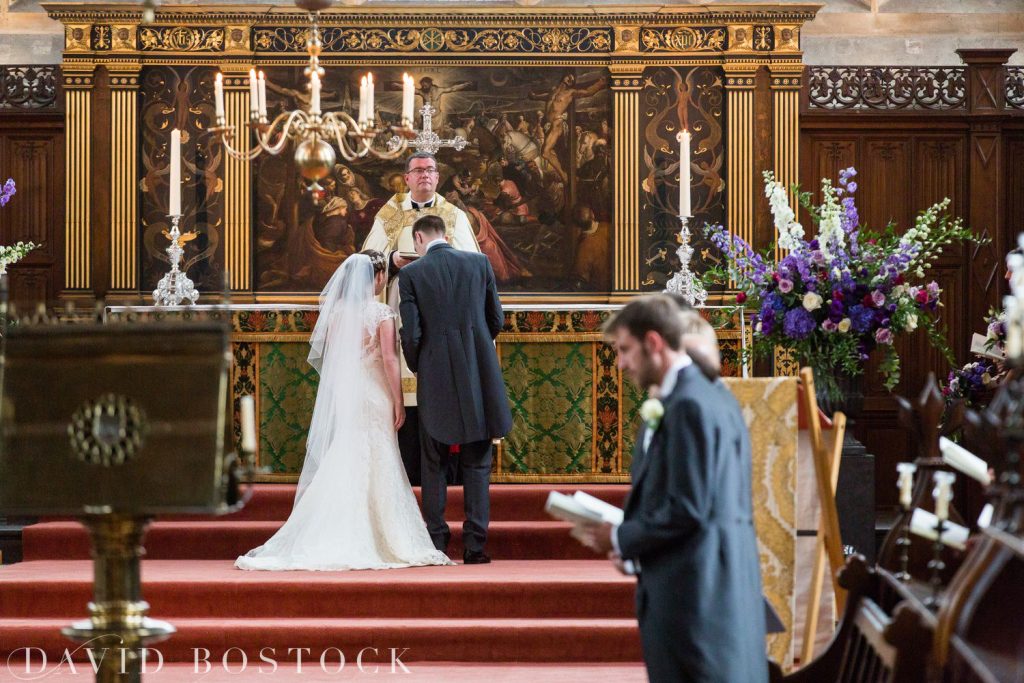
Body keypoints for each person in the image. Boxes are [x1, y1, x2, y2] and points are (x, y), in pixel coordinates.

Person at [577, 295, 767, 682]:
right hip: (705, 590)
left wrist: (619, 536)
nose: (621, 363)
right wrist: (633, 552)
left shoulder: (689, 406)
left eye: (625, 350)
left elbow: (688, 508)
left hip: (697, 602)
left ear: (654, 343)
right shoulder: (707, 394)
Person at [235, 251, 453, 572]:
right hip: (375, 393)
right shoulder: (381, 313)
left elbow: (336, 360)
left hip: (350, 393)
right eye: (382, 276)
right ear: (376, 278)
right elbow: (391, 361)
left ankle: (336, 528)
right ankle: (383, 534)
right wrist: (398, 400)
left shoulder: (335, 312)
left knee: (347, 454)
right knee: (379, 456)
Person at [398, 215, 513, 565]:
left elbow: (411, 333)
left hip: (435, 374)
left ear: (419, 238)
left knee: (433, 462)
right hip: (479, 371)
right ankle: (475, 548)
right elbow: (497, 319)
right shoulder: (478, 264)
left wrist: (422, 364)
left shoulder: (412, 273)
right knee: (478, 464)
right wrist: (476, 343)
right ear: (446, 235)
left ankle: (436, 545)